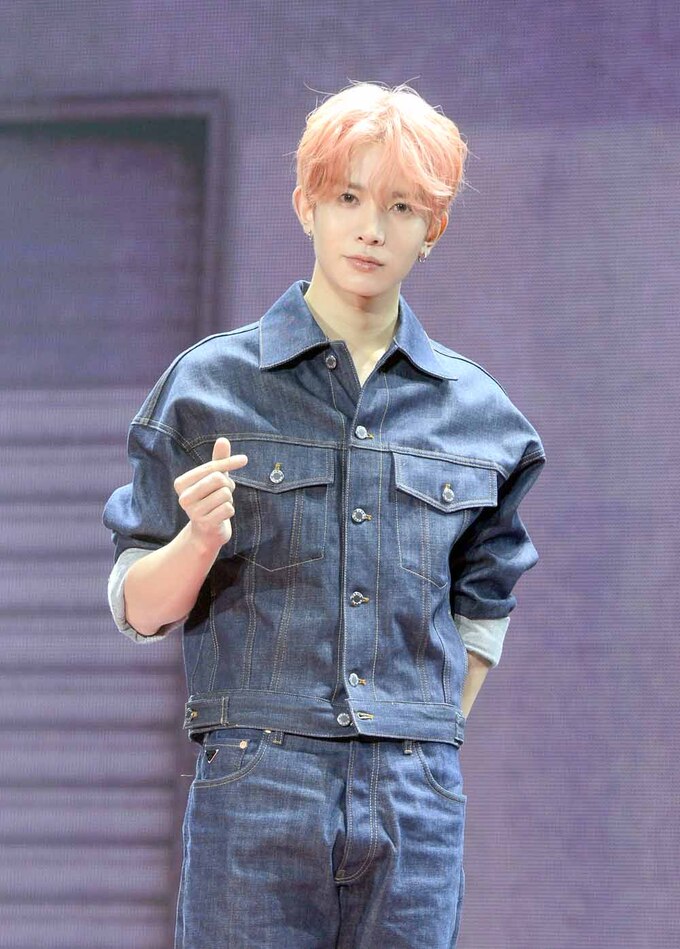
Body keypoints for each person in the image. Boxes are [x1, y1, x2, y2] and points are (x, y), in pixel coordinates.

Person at [102, 80, 546, 949]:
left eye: (401, 206)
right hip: (258, 783)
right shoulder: (207, 388)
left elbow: (483, 605)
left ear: (433, 228)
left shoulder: (482, 419)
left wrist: (418, 729)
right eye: (347, 197)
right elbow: (137, 605)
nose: (371, 227)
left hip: (414, 798)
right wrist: (198, 540)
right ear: (305, 204)